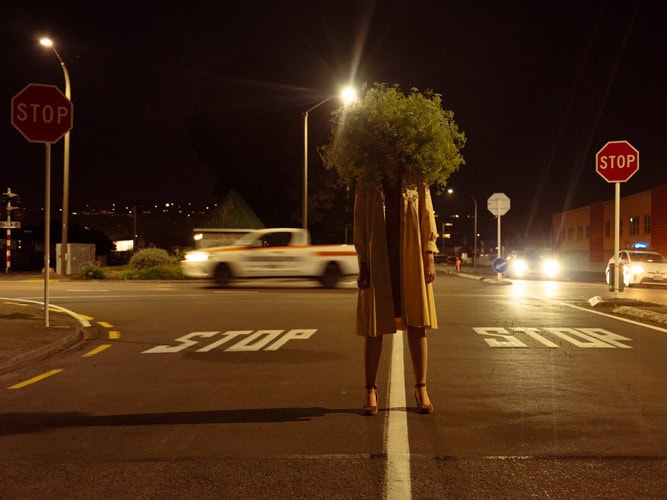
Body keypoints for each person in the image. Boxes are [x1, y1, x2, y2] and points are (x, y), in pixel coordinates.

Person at [354, 157, 439, 415]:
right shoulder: (366, 176)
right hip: (379, 258)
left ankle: (421, 387)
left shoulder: (416, 175)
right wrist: (363, 263)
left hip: (410, 256)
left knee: (417, 323)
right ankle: (370, 389)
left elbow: (427, 215)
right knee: (374, 326)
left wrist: (429, 255)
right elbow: (359, 220)